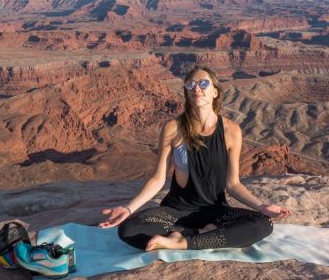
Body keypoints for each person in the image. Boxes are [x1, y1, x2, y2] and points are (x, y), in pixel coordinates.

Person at [98, 66, 292, 251]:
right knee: (128, 229)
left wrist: (263, 207)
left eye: (204, 84)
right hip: (175, 212)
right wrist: (128, 209)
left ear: (215, 92)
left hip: (216, 210)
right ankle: (193, 234)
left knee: (263, 224)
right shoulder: (173, 128)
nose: (196, 89)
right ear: (186, 92)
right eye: (190, 85)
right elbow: (158, 179)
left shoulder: (231, 131)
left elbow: (233, 184)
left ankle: (180, 242)